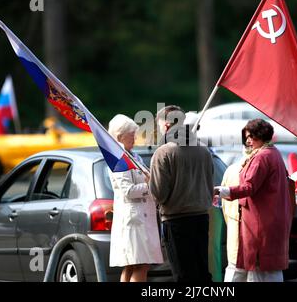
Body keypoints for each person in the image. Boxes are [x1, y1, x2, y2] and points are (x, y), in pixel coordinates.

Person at [214, 119, 293, 282]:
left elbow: (248, 187)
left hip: (260, 223)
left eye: (250, 136)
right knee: (269, 269)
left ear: (260, 135)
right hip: (272, 221)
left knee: (258, 270)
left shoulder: (261, 157)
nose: (248, 141)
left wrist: (219, 191)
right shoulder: (274, 153)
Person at [149, 105, 214, 282]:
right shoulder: (203, 150)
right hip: (201, 218)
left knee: (183, 274)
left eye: (160, 126)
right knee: (201, 272)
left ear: (167, 126)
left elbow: (158, 194)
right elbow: (210, 187)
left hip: (176, 220)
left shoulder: (163, 152)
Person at [108, 114, 163, 282]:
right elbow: (129, 191)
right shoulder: (119, 159)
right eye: (131, 133)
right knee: (140, 265)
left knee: (132, 265)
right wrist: (150, 186)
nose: (135, 136)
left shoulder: (132, 156)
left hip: (139, 217)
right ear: (119, 137)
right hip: (134, 219)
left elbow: (147, 175)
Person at [220, 146, 252, 282]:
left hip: (234, 234)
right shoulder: (263, 169)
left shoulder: (231, 170)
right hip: (255, 240)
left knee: (234, 273)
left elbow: (224, 206)